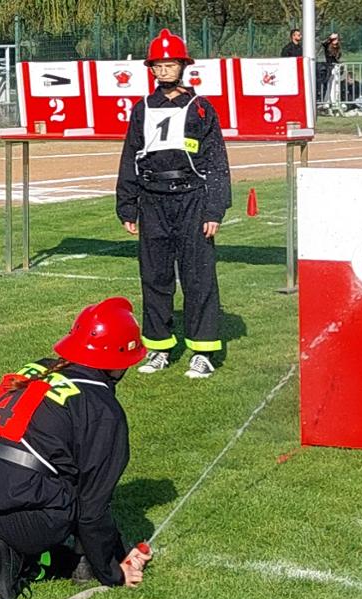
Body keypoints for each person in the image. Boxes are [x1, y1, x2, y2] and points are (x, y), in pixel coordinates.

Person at [0, 297, 155, 599]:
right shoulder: (101, 409)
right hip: (25, 519)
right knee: (77, 494)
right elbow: (92, 506)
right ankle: (37, 561)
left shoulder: (39, 368)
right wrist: (113, 570)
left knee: (53, 473)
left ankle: (11, 555)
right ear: (119, 360)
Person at [115, 29, 231, 379]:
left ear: (183, 66)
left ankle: (203, 351)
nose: (164, 70)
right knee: (155, 276)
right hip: (152, 200)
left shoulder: (201, 108)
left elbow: (216, 160)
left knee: (198, 276)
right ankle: (159, 347)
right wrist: (127, 204)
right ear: (151, 69)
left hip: (192, 198)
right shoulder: (142, 108)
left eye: (170, 63)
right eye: (158, 65)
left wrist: (214, 208)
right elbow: (130, 156)